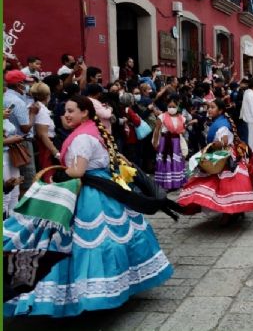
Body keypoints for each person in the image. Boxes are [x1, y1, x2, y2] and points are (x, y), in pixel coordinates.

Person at [3, 95, 173, 317]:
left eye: (71, 110)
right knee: (111, 238)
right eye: (65, 111)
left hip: (89, 191)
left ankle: (90, 292)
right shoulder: (96, 130)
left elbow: (77, 172)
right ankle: (116, 284)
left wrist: (58, 175)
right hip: (104, 189)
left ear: (85, 112)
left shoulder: (83, 137)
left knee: (84, 241)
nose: (66, 115)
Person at [177, 98, 253, 225]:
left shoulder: (222, 125)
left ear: (220, 110)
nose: (209, 109)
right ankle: (231, 211)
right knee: (219, 185)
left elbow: (224, 141)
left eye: (212, 107)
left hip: (224, 156)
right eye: (208, 107)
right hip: (221, 154)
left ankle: (229, 213)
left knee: (227, 186)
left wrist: (216, 145)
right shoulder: (219, 121)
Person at [152, 94, 187, 191]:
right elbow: (157, 130)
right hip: (164, 142)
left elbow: (183, 131)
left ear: (177, 107)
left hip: (176, 142)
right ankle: (165, 183)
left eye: (174, 107)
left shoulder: (181, 118)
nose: (171, 108)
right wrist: (155, 143)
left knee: (175, 160)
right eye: (169, 106)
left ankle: (176, 183)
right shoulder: (162, 116)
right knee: (165, 160)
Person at [30, 83, 60, 181]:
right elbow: (43, 134)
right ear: (47, 95)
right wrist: (55, 152)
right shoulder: (41, 110)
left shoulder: (36, 106)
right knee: (48, 173)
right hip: (45, 146)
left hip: (45, 144)